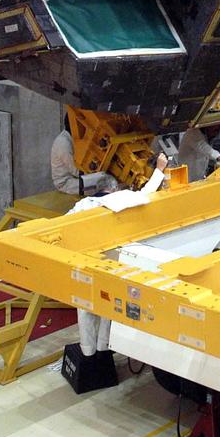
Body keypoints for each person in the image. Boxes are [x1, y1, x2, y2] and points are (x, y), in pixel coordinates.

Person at [65, 152, 168, 389]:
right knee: (108, 307)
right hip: (111, 265)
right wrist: (160, 168)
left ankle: (88, 352)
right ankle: (103, 350)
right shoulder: (120, 199)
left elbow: (62, 228)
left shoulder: (81, 205)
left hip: (84, 263)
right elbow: (147, 192)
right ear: (113, 189)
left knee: (85, 308)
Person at [51, 112, 114, 196]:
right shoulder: (63, 143)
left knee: (103, 180)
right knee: (102, 184)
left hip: (77, 177)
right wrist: (100, 173)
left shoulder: (75, 138)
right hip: (66, 182)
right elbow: (75, 170)